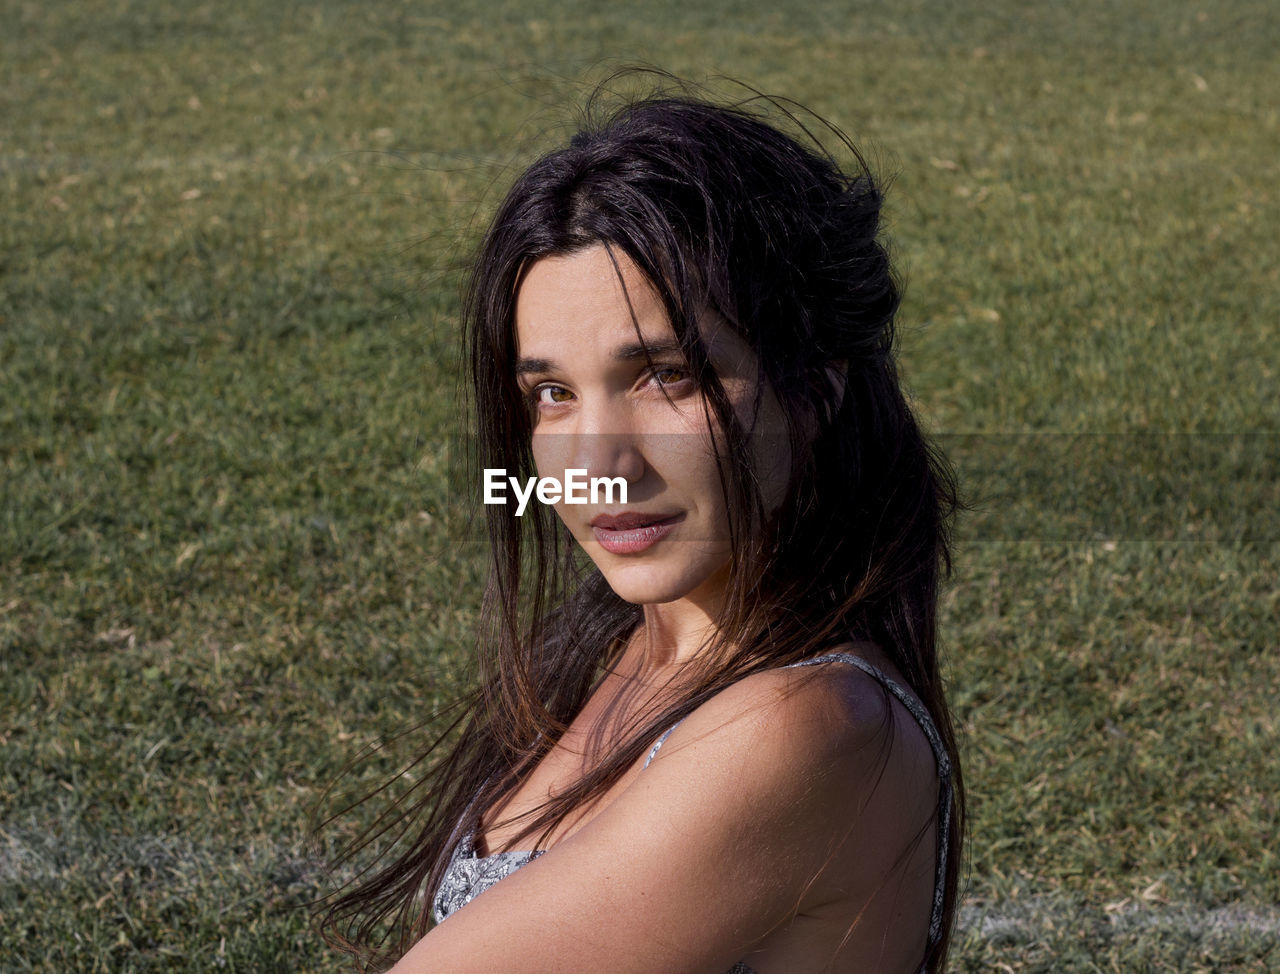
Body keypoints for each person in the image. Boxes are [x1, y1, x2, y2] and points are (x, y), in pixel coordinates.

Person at [322, 82, 965, 974]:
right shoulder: (637, 641)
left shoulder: (802, 730)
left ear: (815, 384)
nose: (598, 463)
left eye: (666, 376)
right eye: (552, 394)